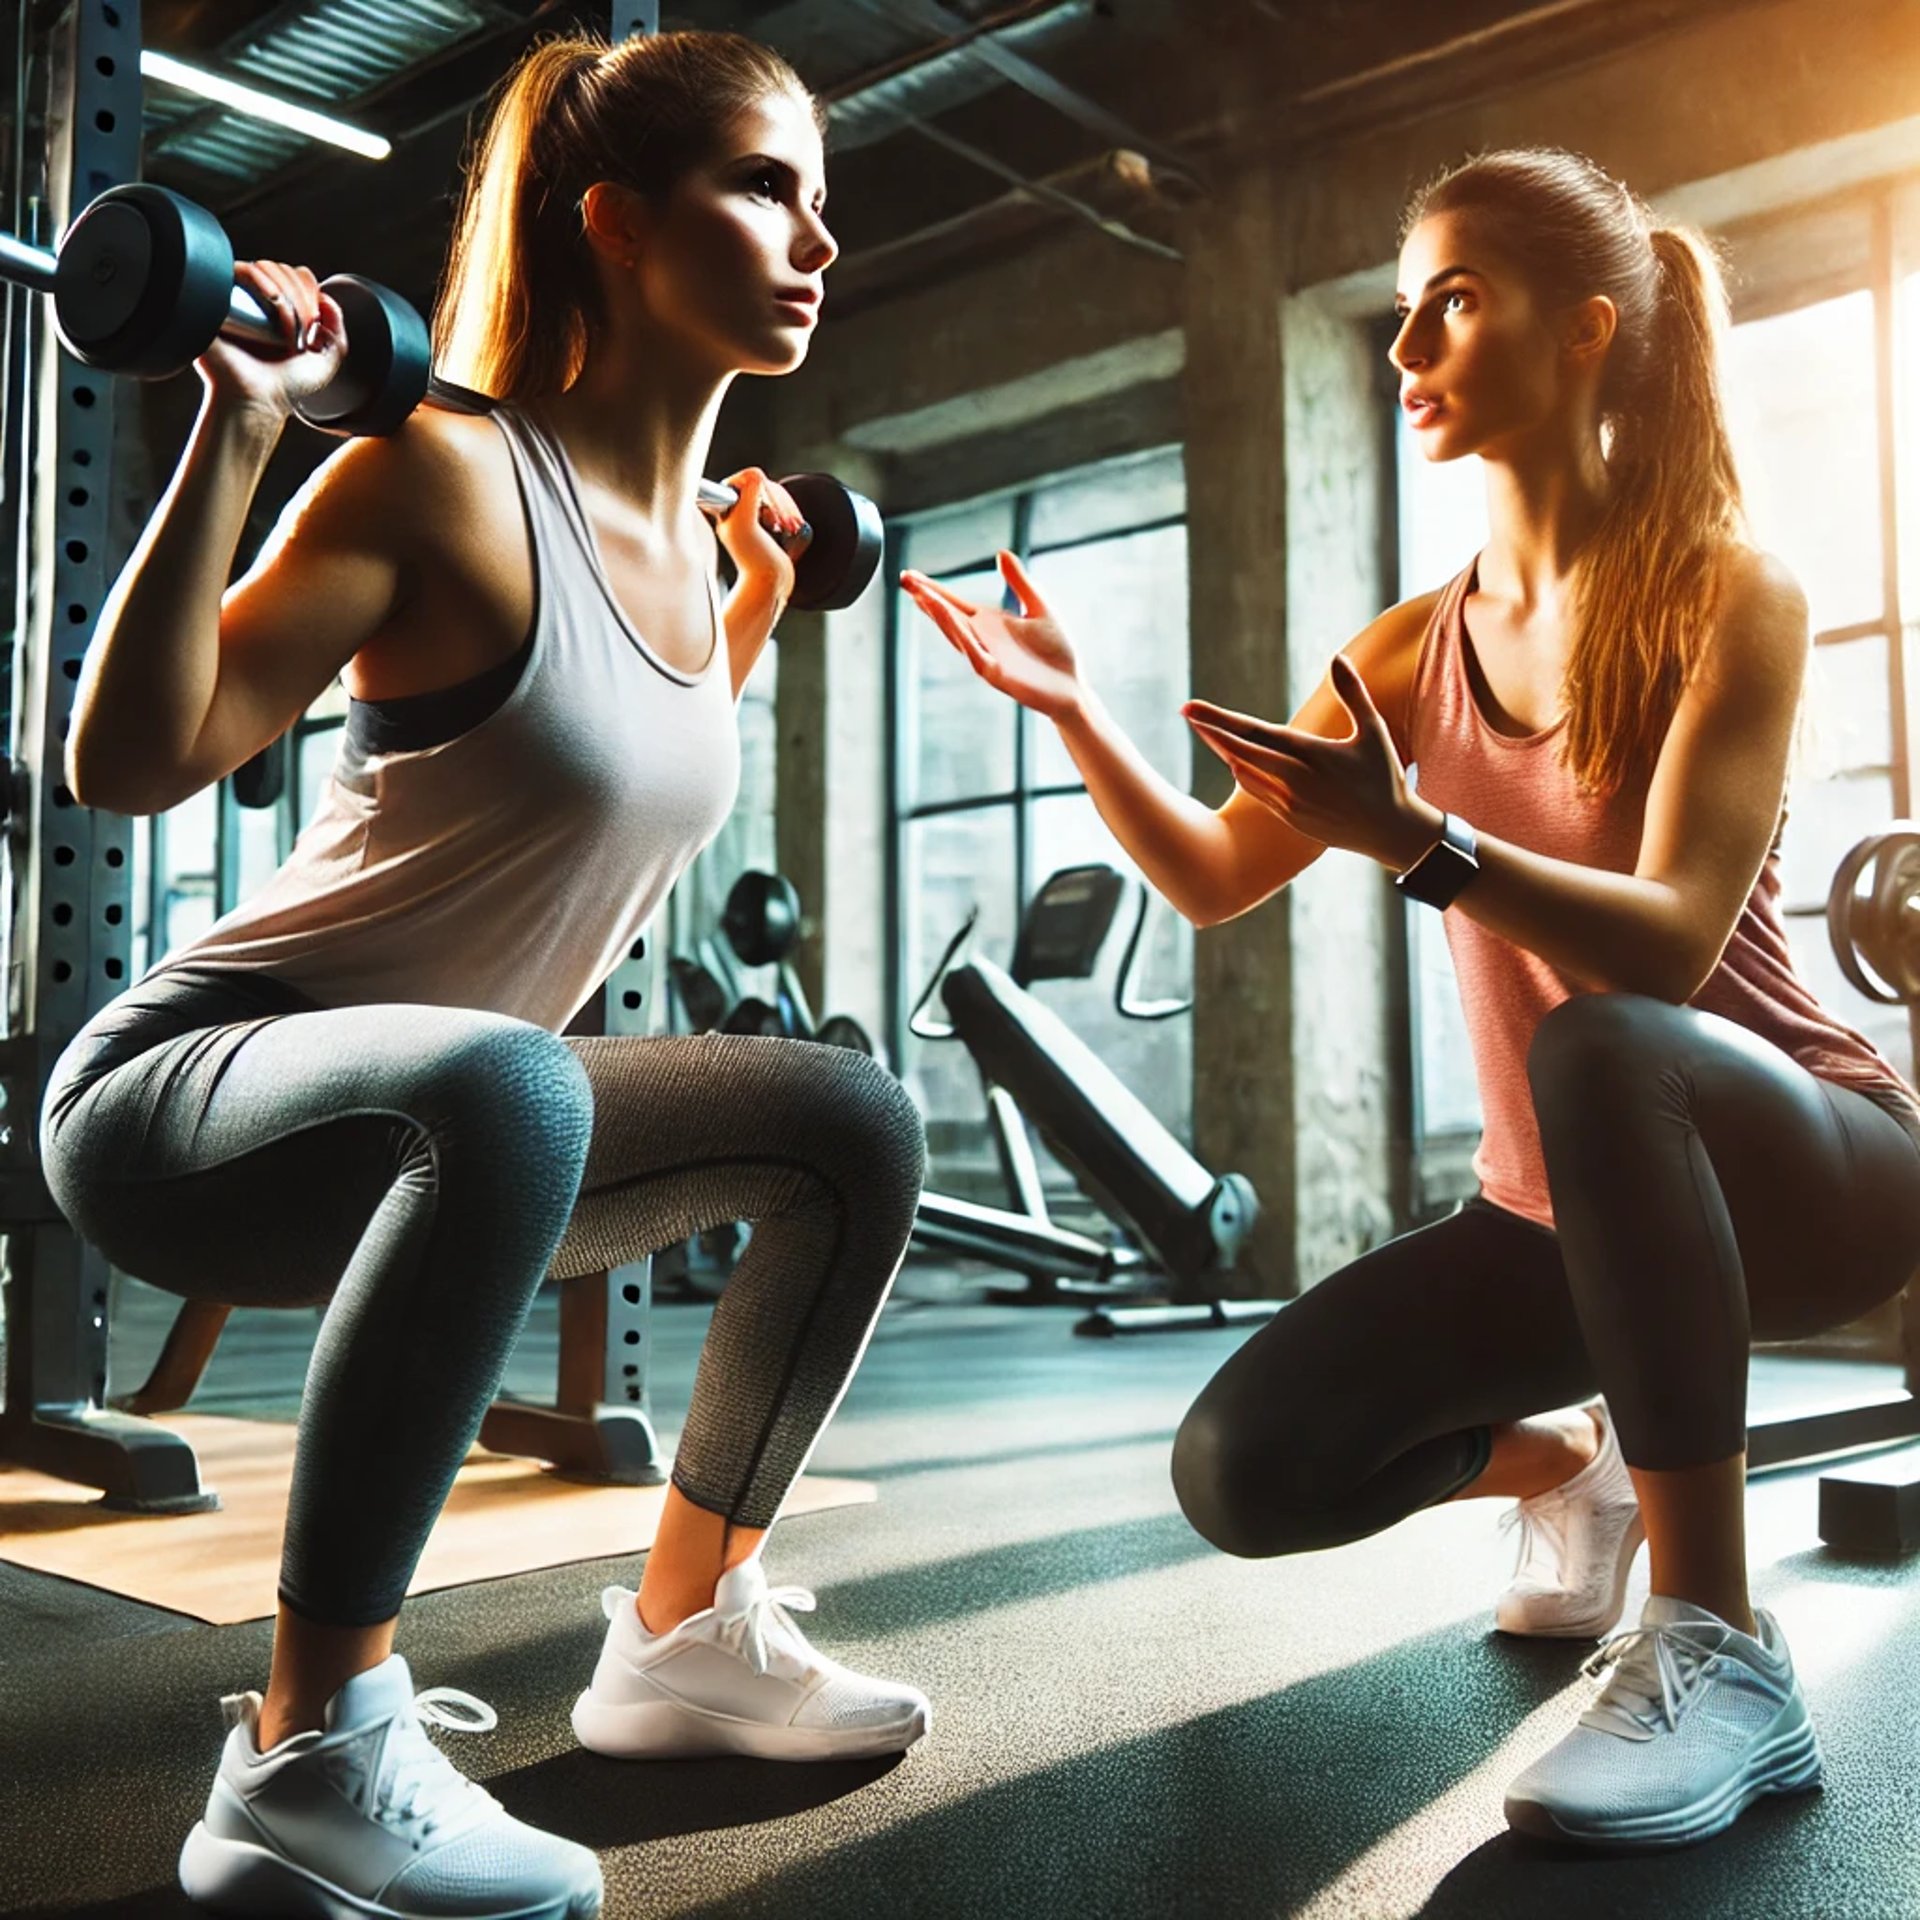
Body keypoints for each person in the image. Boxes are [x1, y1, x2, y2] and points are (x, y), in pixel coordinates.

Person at [902, 145, 1920, 1852]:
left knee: (1609, 1045)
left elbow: (1664, 949)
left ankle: (1722, 1648)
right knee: (1247, 1469)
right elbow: (1216, 877)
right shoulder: (1405, 648)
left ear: (1589, 329)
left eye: (1455, 300)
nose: (1406, 347)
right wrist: (1076, 713)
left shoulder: (1726, 590)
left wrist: (1424, 839)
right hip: (1565, 1220)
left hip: (1818, 1172)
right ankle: (1580, 1471)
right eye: (1404, 309)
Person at [47, 31, 930, 1920]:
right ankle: (309, 1745)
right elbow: (128, 764)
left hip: (449, 1119)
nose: (818, 237)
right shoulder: (433, 475)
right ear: (616, 221)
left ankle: (684, 1636)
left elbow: (584, 806)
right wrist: (244, 418)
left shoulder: (705, 569)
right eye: (766, 186)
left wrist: (741, 636)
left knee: (847, 1118)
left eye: (823, 199)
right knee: (513, 1078)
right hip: (190, 1093)